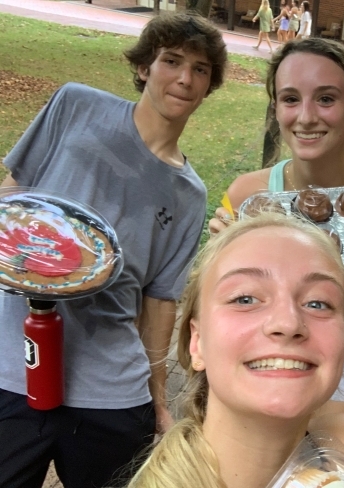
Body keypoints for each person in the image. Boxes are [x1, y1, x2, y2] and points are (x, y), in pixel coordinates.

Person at [0, 13, 227, 488]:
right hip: (12, 364)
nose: (185, 78)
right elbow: (11, 199)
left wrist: (159, 400)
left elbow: (160, 300)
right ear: (145, 67)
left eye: (201, 69)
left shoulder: (190, 193)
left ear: (209, 87)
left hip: (108, 389)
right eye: (172, 61)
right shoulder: (76, 105)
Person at [209, 38, 344, 418]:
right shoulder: (249, 193)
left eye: (326, 99)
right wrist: (221, 255)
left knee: (321, 451)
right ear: (276, 108)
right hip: (276, 343)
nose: (306, 116)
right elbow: (225, 299)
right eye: (291, 99)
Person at [128, 213, 344, 488]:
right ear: (197, 342)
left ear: (343, 342)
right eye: (245, 298)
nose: (288, 323)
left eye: (318, 303)